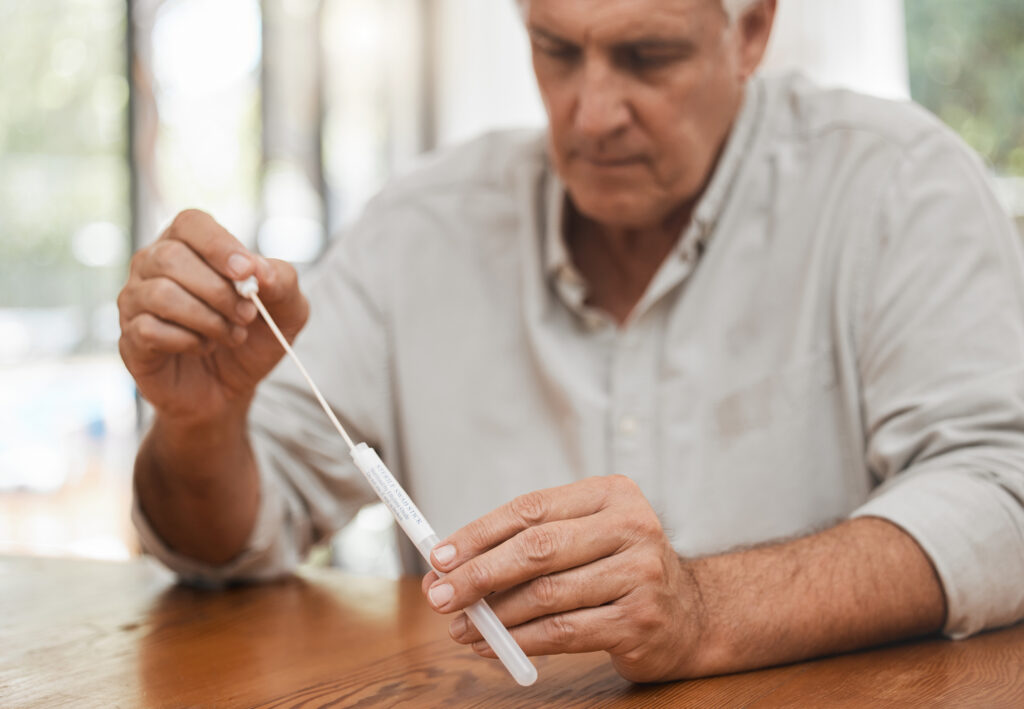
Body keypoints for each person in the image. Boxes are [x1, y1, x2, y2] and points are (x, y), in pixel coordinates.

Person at [118, 0, 1024, 683]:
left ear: (751, 32)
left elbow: (1002, 498)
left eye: (647, 56)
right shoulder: (422, 228)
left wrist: (705, 608)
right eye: (556, 50)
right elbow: (221, 543)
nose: (591, 116)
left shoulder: (899, 188)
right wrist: (201, 428)